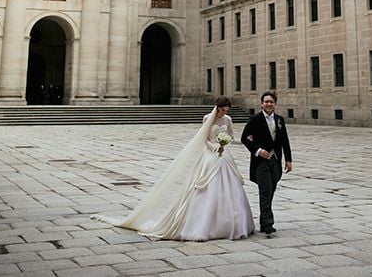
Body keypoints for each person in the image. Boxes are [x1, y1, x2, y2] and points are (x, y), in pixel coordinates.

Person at [93, 96, 254, 241]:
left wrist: (228, 143)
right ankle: (201, 225)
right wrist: (214, 147)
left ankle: (232, 224)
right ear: (217, 108)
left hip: (224, 157)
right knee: (205, 188)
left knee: (230, 189)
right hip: (210, 157)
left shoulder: (228, 120)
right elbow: (203, 139)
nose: (223, 113)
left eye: (226, 111)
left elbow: (231, 136)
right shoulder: (207, 118)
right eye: (222, 110)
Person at [241, 91, 292, 236]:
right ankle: (268, 224)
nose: (269, 104)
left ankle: (264, 222)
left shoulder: (280, 120)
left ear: (275, 104)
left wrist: (288, 160)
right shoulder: (255, 119)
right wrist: (257, 150)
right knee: (265, 191)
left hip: (275, 160)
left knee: (271, 190)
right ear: (261, 104)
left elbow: (284, 141)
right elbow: (245, 138)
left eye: (271, 102)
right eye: (266, 102)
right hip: (261, 162)